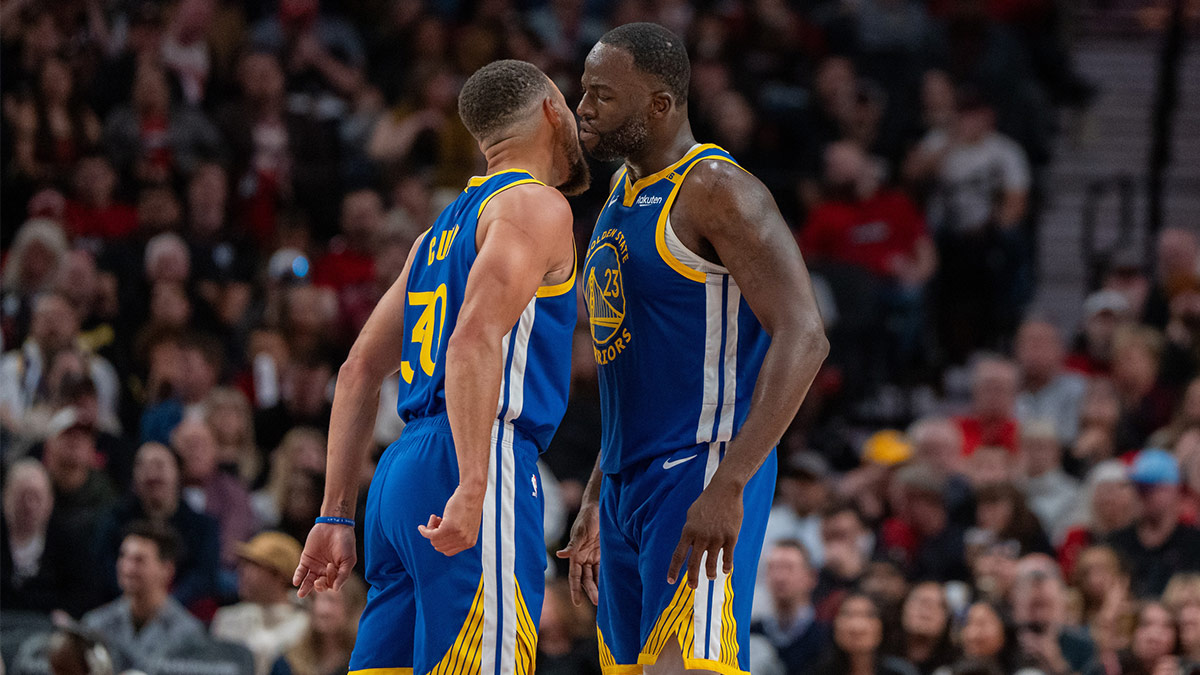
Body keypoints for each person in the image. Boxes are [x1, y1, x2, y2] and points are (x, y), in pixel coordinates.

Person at [292, 58, 587, 675]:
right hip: (476, 451)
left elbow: (356, 372)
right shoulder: (536, 205)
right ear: (551, 112)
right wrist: (476, 480)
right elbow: (472, 341)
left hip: (400, 472)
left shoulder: (438, 231)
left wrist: (334, 513)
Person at [561, 23, 829, 674]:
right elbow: (638, 368)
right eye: (582, 90)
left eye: (602, 94)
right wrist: (598, 490)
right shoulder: (619, 197)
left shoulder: (715, 190)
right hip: (627, 482)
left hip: (699, 466)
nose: (582, 108)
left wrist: (730, 482)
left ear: (659, 104)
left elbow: (805, 334)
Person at [81, 521, 208, 672]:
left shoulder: (188, 634)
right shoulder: (95, 625)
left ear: (167, 570)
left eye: (139, 560)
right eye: (123, 556)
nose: (127, 568)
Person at [1106, 449, 1200, 598]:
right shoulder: (1116, 543)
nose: (1141, 495)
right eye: (1137, 488)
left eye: (1150, 488)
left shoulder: (1193, 543)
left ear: (1173, 490)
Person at [212, 532, 309, 675]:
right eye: (243, 564)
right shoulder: (227, 619)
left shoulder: (305, 627)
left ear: (279, 576)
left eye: (254, 565)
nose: (242, 572)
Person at [751, 540, 830, 675]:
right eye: (772, 568)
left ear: (811, 577)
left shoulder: (827, 638)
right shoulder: (750, 633)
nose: (779, 577)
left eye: (788, 567)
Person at [1009, 554, 1096, 675]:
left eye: (1045, 606)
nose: (1037, 589)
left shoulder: (1084, 645)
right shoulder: (1003, 641)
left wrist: (1057, 663)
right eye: (1033, 606)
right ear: (1014, 600)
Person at [271, 575, 368, 675]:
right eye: (314, 599)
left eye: (330, 600)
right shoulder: (289, 661)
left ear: (351, 607)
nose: (320, 609)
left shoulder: (365, 662)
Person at [1014, 319, 1088, 446]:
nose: (1034, 351)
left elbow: (1072, 439)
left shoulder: (1078, 389)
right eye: (1028, 343)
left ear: (1060, 349)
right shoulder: (1004, 387)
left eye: (1041, 344)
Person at [814, 593, 920, 675]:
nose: (856, 626)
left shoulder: (900, 672)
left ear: (882, 625)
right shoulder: (817, 671)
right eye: (847, 614)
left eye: (868, 615)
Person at [889, 582, 959, 675]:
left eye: (938, 604)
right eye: (920, 601)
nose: (927, 609)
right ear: (903, 608)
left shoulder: (957, 664)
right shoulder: (878, 656)